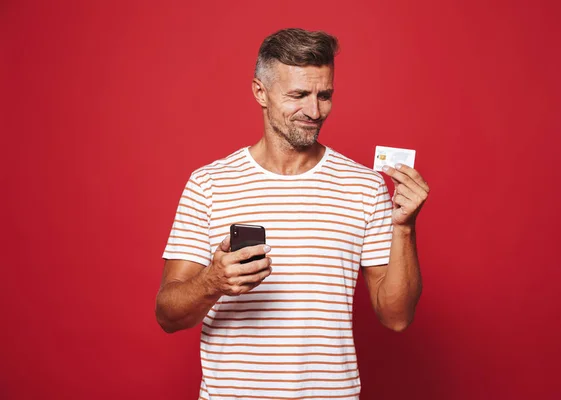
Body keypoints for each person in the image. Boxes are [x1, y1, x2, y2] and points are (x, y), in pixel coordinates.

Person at [155, 27, 429, 400]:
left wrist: (405, 228)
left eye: (324, 95)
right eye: (298, 95)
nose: (314, 112)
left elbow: (396, 317)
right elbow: (168, 316)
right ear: (259, 92)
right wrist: (212, 282)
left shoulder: (365, 186)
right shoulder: (209, 184)